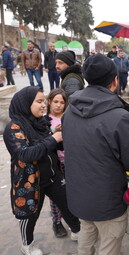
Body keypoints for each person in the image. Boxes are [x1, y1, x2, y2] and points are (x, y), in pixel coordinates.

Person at [62, 53, 129, 255]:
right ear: (115, 81)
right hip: (106, 201)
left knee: (87, 234)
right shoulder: (118, 116)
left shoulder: (69, 110)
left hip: (79, 196)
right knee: (109, 244)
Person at [3, 86, 80, 255]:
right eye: (39, 101)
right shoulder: (13, 128)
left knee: (67, 203)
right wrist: (53, 139)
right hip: (29, 182)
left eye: (44, 101)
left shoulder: (39, 122)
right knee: (29, 215)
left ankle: (77, 231)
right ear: (25, 104)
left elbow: (50, 146)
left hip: (52, 175)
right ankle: (27, 245)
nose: (44, 105)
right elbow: (25, 154)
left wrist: (61, 138)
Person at [45, 89, 68, 238]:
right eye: (56, 102)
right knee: (55, 195)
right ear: (49, 102)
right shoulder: (45, 120)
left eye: (62, 102)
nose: (59, 105)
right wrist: (53, 134)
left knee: (70, 192)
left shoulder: (69, 117)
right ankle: (57, 222)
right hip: (54, 163)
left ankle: (73, 218)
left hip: (70, 161)